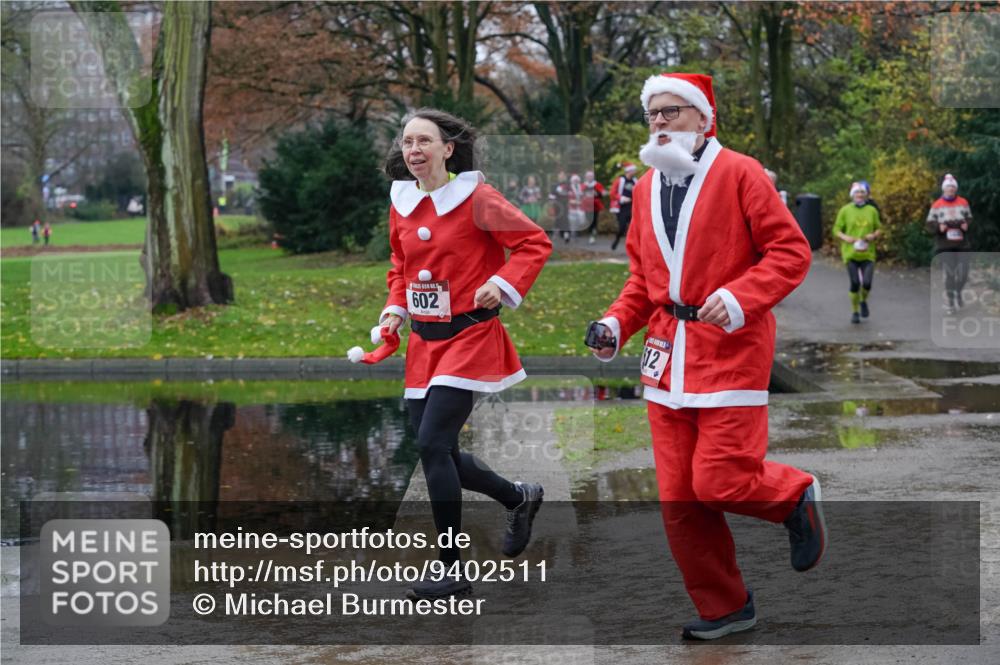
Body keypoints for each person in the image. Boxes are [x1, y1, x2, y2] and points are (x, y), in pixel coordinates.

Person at [589, 72, 825, 640]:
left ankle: (792, 495)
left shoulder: (740, 172)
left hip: (732, 349)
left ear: (704, 118)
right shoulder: (644, 189)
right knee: (678, 499)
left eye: (673, 111)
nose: (661, 122)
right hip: (666, 357)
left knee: (719, 481)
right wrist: (615, 324)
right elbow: (644, 283)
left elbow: (791, 252)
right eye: (653, 114)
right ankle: (725, 606)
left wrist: (738, 297)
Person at [380, 108, 552, 600]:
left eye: (424, 142)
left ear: (447, 149)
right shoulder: (402, 203)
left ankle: (451, 570)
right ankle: (518, 497)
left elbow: (533, 244)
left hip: (471, 338)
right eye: (408, 142)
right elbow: (400, 267)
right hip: (424, 343)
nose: (413, 151)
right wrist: (395, 310)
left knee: (433, 444)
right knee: (444, 451)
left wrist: (501, 283)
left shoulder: (476, 197)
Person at [833, 182, 883, 324]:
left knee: (867, 283)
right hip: (850, 253)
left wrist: (873, 235)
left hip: (868, 253)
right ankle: (855, 311)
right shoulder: (845, 210)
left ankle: (863, 301)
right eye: (857, 193)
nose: (860, 195)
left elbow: (879, 228)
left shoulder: (871, 210)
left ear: (866, 195)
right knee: (855, 283)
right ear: (852, 195)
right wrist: (845, 237)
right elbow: (836, 229)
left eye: (862, 193)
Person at [926, 173, 972, 314]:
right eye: (948, 188)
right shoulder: (937, 205)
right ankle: (951, 302)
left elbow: (969, 218)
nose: (950, 190)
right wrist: (938, 228)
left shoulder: (963, 202)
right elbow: (928, 224)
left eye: (952, 187)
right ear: (943, 189)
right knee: (951, 274)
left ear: (955, 189)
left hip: (962, 245)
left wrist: (966, 225)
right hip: (944, 245)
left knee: (964, 274)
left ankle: (958, 292)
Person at [608, 162, 637, 250]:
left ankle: (634, 247)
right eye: (633, 170)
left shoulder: (636, 181)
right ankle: (616, 240)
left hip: (632, 207)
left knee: (634, 228)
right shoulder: (620, 180)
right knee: (622, 227)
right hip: (621, 208)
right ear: (629, 171)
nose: (635, 171)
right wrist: (622, 198)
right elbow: (612, 193)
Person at [581, 170, 607, 244]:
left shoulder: (597, 184)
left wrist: (597, 193)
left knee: (594, 220)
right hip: (586, 206)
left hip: (595, 205)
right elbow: (579, 194)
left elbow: (603, 193)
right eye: (588, 176)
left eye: (591, 176)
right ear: (586, 177)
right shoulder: (583, 185)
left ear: (593, 177)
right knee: (588, 220)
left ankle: (592, 234)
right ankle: (592, 231)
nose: (589, 177)